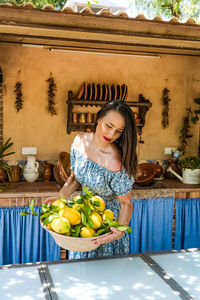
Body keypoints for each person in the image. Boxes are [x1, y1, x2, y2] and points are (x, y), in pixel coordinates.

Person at [57, 100, 138, 259]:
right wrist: (60, 198)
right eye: (109, 126)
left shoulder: (116, 161)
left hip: (106, 225)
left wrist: (118, 231)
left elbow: (126, 203)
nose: (111, 134)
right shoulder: (79, 142)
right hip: (83, 218)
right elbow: (75, 179)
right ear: (99, 118)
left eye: (118, 131)